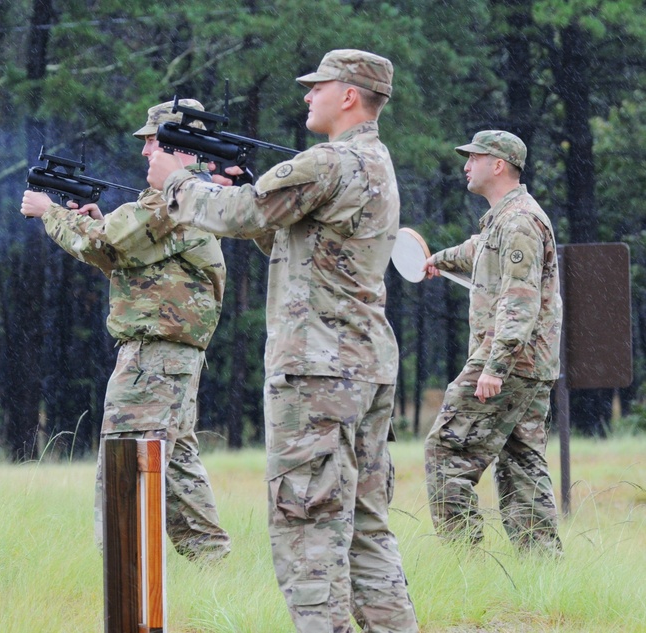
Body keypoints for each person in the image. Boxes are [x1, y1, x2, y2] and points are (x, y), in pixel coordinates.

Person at [146, 50, 418, 632]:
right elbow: (300, 246)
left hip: (316, 372)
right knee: (367, 527)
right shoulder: (376, 163)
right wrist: (245, 193)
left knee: (307, 525)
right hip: (366, 365)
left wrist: (177, 183)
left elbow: (242, 212)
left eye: (317, 87)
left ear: (349, 95)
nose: (306, 97)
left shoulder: (327, 161)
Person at [19, 100, 231, 562]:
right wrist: (90, 222)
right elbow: (130, 260)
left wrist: (49, 212)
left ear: (181, 145)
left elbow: (107, 244)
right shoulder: (194, 198)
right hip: (170, 355)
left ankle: (125, 573)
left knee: (125, 460)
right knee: (174, 466)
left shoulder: (174, 199)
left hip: (154, 357)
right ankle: (212, 564)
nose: (145, 152)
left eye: (153, 141)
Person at [422, 131, 563, 554]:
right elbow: (479, 249)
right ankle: (542, 570)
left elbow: (519, 303)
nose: (466, 165)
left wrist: (494, 367)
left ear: (498, 165)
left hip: (509, 361)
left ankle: (465, 563)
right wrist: (437, 259)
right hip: (529, 363)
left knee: (447, 451)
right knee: (522, 464)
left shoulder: (518, 221)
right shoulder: (506, 219)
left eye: (474, 158)